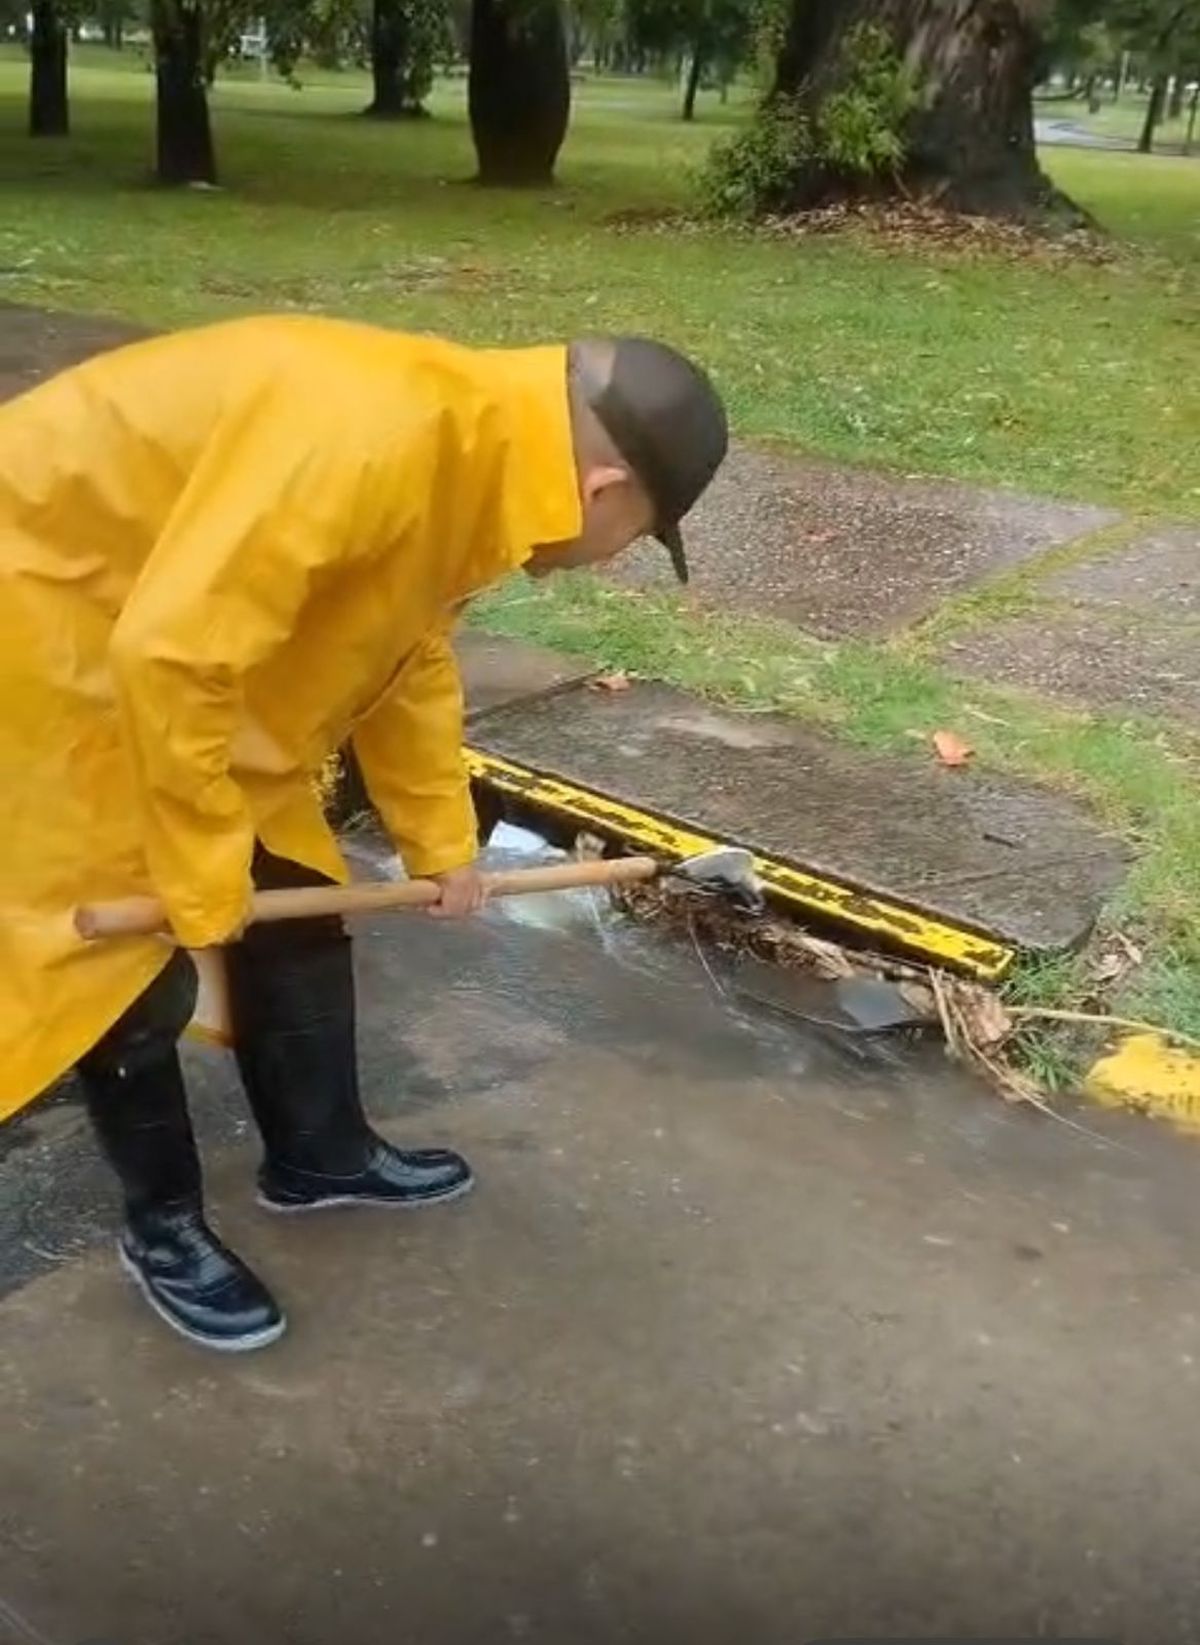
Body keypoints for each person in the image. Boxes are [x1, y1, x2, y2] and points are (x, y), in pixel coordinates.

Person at [0, 314, 728, 1352]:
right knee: (122, 955)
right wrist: (199, 877)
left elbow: (406, 653)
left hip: (151, 625)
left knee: (293, 885)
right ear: (603, 487)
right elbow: (171, 658)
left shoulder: (475, 455)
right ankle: (164, 1228)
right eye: (639, 537)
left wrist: (441, 845)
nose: (613, 561)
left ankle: (320, 1153)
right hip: (44, 621)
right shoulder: (378, 441)